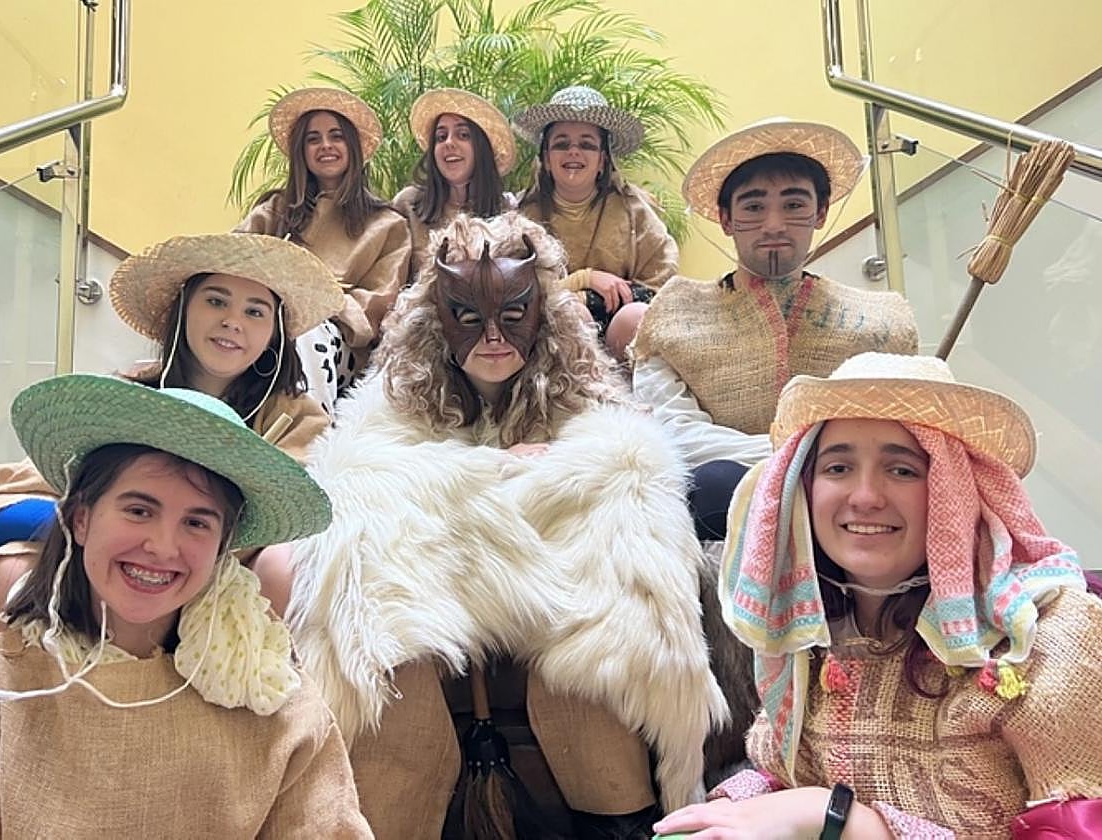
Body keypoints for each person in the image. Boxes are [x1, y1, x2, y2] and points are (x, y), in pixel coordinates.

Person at [255, 212, 732, 839]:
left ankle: (623, 821)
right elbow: (364, 491)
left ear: (543, 312)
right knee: (388, 666)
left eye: (512, 313)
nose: (493, 336)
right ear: (437, 318)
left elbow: (627, 481)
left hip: (553, 600)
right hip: (437, 611)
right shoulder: (393, 401)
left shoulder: (584, 400)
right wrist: (490, 473)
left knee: (594, 663)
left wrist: (550, 478)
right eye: (468, 316)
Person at [653, 352, 1102, 840]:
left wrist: (845, 820)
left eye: (902, 470)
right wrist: (728, 810)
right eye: (838, 466)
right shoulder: (811, 635)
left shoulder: (1048, 640)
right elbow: (788, 777)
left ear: (955, 488)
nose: (865, 495)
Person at [0, 373, 372, 837]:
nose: (163, 547)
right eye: (139, 510)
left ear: (222, 547)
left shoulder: (276, 707)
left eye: (196, 523)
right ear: (81, 519)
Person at [0, 233, 344, 640]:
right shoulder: (126, 394)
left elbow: (301, 527)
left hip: (213, 598)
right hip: (104, 580)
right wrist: (101, 530)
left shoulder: (300, 422)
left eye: (255, 311)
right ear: (183, 308)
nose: (233, 321)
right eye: (216, 301)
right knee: (9, 572)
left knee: (282, 564)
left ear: (275, 333)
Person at [631, 118, 919, 543]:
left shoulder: (880, 323)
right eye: (753, 207)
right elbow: (675, 432)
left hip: (853, 499)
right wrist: (796, 459)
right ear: (726, 219)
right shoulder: (674, 314)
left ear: (820, 212)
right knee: (714, 483)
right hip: (727, 502)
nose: (774, 224)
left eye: (794, 204)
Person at [236, 87, 411, 414]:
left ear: (352, 147)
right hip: (262, 325)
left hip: (335, 343)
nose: (325, 146)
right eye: (313, 139)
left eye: (336, 136)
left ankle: (308, 432)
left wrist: (314, 300)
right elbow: (232, 259)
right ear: (301, 151)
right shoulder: (275, 210)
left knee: (308, 333)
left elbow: (376, 309)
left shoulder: (388, 225)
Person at [514, 85, 678, 358]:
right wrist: (583, 281)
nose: (573, 151)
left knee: (635, 316)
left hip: (622, 334)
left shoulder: (635, 210)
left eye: (587, 144)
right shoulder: (521, 215)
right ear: (546, 158)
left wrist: (593, 300)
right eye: (562, 144)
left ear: (603, 160)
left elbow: (661, 284)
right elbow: (513, 291)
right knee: (572, 314)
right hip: (546, 340)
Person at [394, 87, 517, 280]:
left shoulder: (506, 209)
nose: (449, 143)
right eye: (441, 137)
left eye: (463, 135)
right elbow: (394, 280)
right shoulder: (407, 204)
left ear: (482, 148)